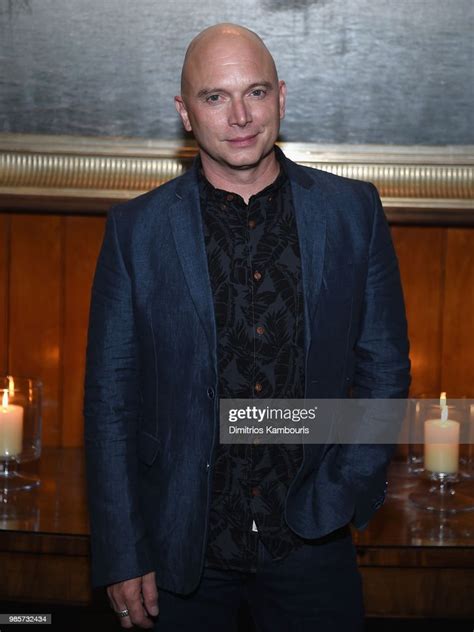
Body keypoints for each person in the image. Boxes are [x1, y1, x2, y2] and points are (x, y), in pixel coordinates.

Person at [84, 23, 410, 631]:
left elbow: (383, 370)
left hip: (313, 540)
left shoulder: (351, 213)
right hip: (179, 554)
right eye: (215, 97)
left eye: (255, 92)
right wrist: (121, 549)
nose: (240, 115)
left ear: (281, 97)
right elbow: (110, 402)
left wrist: (344, 484)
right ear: (185, 113)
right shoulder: (137, 232)